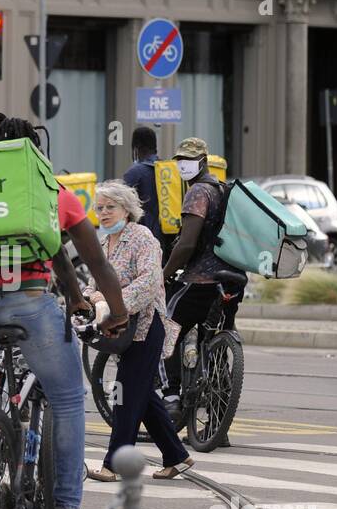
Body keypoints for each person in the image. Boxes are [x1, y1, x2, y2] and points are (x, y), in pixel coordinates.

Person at [0, 116, 129, 509]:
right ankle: (65, 505)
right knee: (66, 397)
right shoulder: (50, 190)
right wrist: (117, 313)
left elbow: (52, 251)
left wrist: (73, 291)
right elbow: (93, 260)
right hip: (27, 301)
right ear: (33, 150)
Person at [83, 181, 192, 482]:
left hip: (145, 326)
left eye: (110, 207)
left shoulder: (142, 238)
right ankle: (176, 456)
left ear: (126, 209)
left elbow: (148, 282)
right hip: (119, 328)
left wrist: (116, 305)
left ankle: (114, 464)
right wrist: (93, 298)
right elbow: (93, 284)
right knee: (141, 394)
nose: (104, 213)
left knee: (126, 395)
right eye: (100, 208)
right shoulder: (103, 242)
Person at [162, 137, 246, 393]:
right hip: (231, 279)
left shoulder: (197, 191)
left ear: (204, 161)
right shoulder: (222, 189)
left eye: (189, 160)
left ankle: (171, 396)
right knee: (216, 347)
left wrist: (163, 275)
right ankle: (217, 426)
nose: (184, 165)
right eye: (180, 160)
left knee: (167, 330)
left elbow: (187, 245)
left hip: (202, 280)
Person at [123, 126, 164, 245]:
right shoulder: (167, 169)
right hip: (169, 236)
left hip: (143, 238)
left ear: (137, 147)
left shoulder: (135, 172)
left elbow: (122, 206)